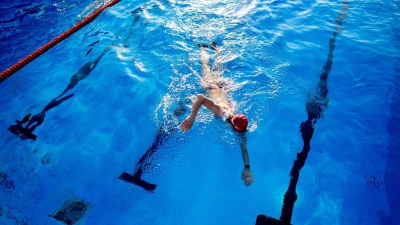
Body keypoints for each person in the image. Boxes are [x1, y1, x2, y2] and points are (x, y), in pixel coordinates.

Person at [180, 44, 253, 186]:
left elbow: (244, 148)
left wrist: (247, 168)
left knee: (218, 69)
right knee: (205, 67)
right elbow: (200, 97)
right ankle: (202, 48)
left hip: (221, 88)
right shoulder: (221, 112)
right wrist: (191, 118)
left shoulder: (236, 123)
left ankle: (217, 50)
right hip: (210, 87)